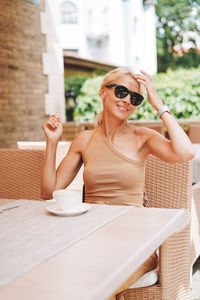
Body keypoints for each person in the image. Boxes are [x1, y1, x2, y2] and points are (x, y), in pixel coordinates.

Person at [41, 68, 194, 295]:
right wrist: (52, 143)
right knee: (58, 272)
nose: (127, 101)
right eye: (121, 92)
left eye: (135, 97)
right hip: (91, 235)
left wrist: (158, 104)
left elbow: (185, 152)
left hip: (134, 241)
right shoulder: (84, 140)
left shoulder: (143, 137)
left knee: (91, 280)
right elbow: (49, 192)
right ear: (104, 92)